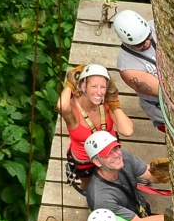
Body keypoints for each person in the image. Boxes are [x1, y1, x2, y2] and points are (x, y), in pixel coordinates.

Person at [83, 131, 169, 221]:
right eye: (108, 154)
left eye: (115, 148)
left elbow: (151, 176)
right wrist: (173, 216)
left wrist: (165, 172)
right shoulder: (102, 198)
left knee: (145, 217)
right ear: (97, 161)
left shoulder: (124, 158)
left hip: (137, 204)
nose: (116, 155)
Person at [57, 63, 133, 193]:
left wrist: (114, 104)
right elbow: (62, 107)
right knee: (88, 184)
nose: (99, 92)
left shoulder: (106, 104)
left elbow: (127, 130)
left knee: (116, 175)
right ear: (83, 86)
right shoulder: (73, 109)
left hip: (109, 152)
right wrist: (70, 85)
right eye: (94, 86)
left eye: (103, 87)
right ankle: (91, 197)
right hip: (84, 158)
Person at [112, 10, 165, 133]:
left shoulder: (158, 26)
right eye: (139, 44)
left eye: (148, 37)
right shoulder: (128, 68)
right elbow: (164, 92)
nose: (146, 43)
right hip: (162, 110)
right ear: (125, 42)